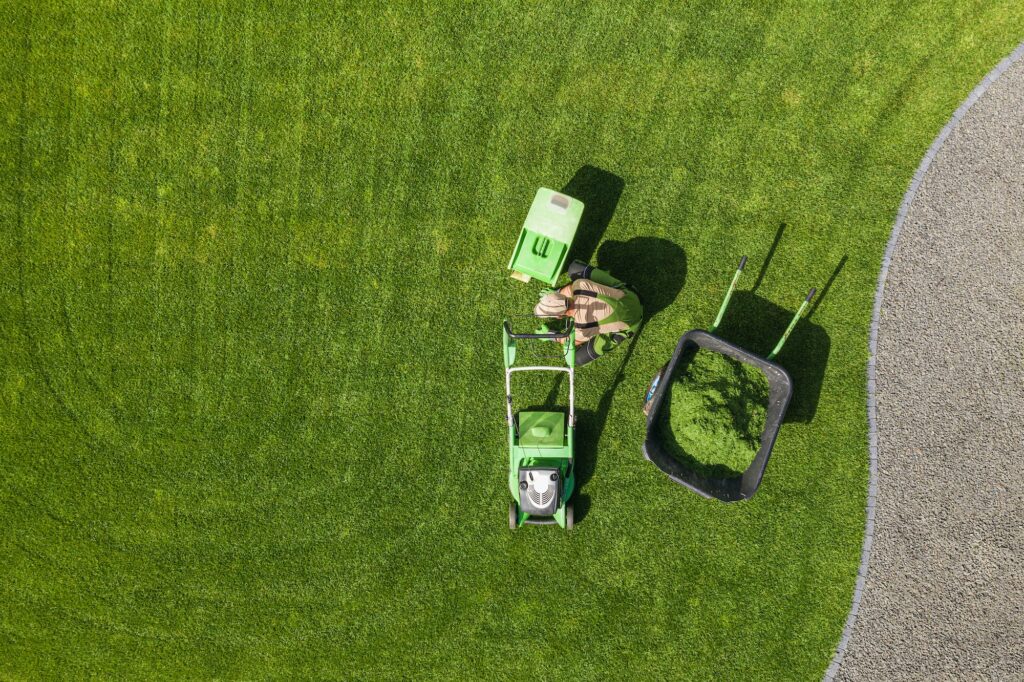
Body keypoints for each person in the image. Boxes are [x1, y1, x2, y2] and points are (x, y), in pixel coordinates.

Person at [533, 260, 643, 366]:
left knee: (576, 359)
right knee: (574, 268)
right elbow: (569, 290)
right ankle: (605, 276)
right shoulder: (580, 285)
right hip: (632, 296)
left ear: (559, 316)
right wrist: (556, 295)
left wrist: (552, 335)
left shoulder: (581, 328)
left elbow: (571, 341)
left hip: (633, 323)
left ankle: (618, 332)